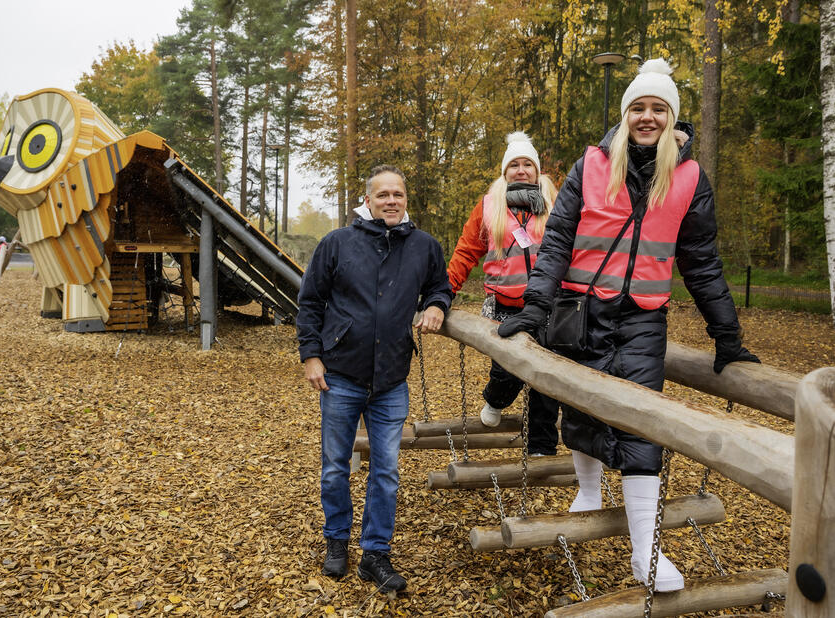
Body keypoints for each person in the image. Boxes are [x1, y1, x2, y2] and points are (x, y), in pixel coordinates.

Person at [498, 59, 759, 592]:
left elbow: (702, 262)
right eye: (638, 108)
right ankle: (589, 489)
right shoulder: (591, 164)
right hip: (580, 308)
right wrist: (534, 307)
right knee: (583, 403)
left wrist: (726, 335)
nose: (647, 117)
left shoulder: (688, 178)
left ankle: (646, 551)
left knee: (642, 420)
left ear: (672, 117)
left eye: (658, 109)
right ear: (625, 115)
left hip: (642, 316)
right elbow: (557, 242)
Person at [297, 165, 452, 593]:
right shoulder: (337, 243)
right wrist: (311, 355)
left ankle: (375, 554)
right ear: (366, 201)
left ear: (406, 199)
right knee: (334, 468)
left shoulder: (423, 246)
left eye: (397, 194)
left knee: (386, 472)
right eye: (382, 194)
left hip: (390, 380)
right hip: (341, 376)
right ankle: (337, 542)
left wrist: (437, 304)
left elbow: (441, 286)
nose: (390, 200)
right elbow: (310, 301)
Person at [446, 132, 561, 455]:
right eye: (514, 165)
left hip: (548, 306)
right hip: (505, 305)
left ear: (537, 172)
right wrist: (444, 292)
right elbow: (466, 252)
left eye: (528, 164)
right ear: (504, 172)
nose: (521, 170)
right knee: (506, 369)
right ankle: (495, 400)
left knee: (546, 377)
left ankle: (541, 446)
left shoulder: (556, 204)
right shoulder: (489, 206)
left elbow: (575, 250)